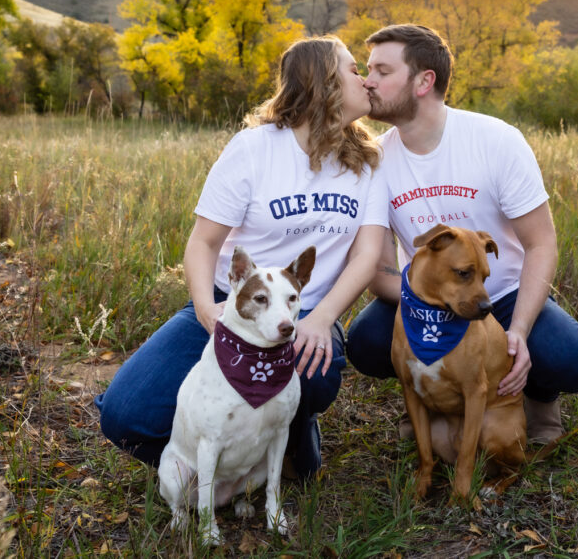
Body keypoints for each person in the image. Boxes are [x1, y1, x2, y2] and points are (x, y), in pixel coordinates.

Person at [96, 36, 387, 480]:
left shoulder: (367, 161)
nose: (364, 79)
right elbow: (203, 243)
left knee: (316, 376)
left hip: (301, 313)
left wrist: (322, 318)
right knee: (126, 418)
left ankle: (289, 429)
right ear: (323, 82)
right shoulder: (254, 149)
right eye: (353, 70)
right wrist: (205, 309)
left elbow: (367, 255)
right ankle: (227, 465)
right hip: (232, 305)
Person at [346, 24, 578, 447]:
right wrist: (421, 304)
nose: (367, 81)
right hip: (425, 300)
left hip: (497, 299)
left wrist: (517, 331)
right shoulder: (377, 159)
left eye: (382, 71)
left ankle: (534, 396)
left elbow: (541, 243)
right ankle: (426, 400)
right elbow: (376, 264)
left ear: (424, 81)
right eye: (367, 69)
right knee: (367, 342)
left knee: (570, 360)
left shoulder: (495, 140)